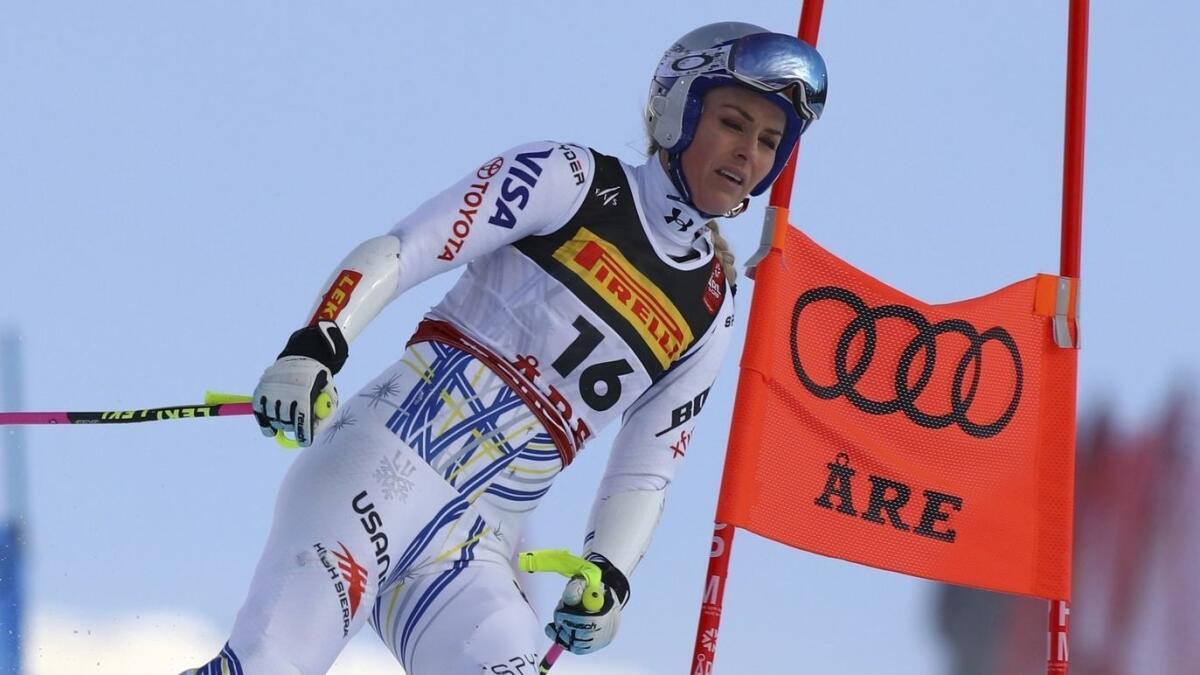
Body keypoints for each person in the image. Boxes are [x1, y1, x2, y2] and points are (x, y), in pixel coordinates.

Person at [186, 21, 826, 675]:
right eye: (732, 121)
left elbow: (646, 468)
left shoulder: (713, 306)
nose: (749, 152)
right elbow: (406, 250)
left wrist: (610, 574)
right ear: (676, 109)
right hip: (378, 469)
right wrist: (313, 349)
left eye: (770, 139)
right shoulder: (572, 177)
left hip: (476, 549)